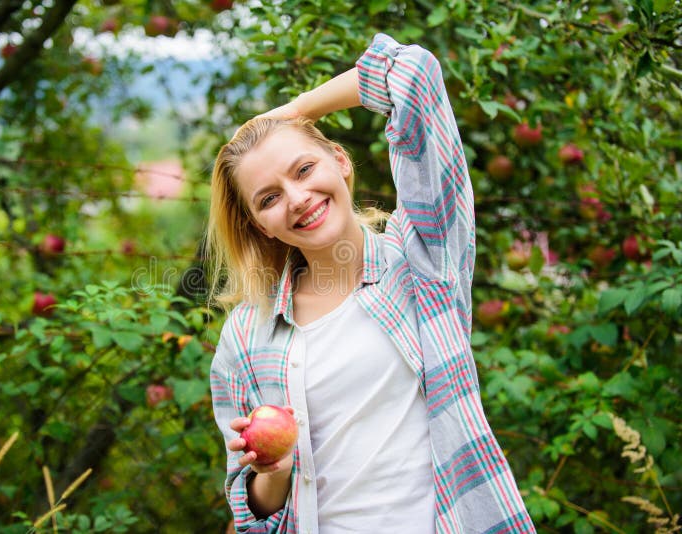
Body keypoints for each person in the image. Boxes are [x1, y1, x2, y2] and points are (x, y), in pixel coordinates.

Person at [207, 32, 536, 533]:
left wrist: (293, 112)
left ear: (340, 161)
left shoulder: (423, 259)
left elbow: (414, 74)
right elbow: (254, 514)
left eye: (304, 168)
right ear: (258, 224)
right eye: (268, 198)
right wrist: (273, 470)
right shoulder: (247, 337)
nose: (296, 198)